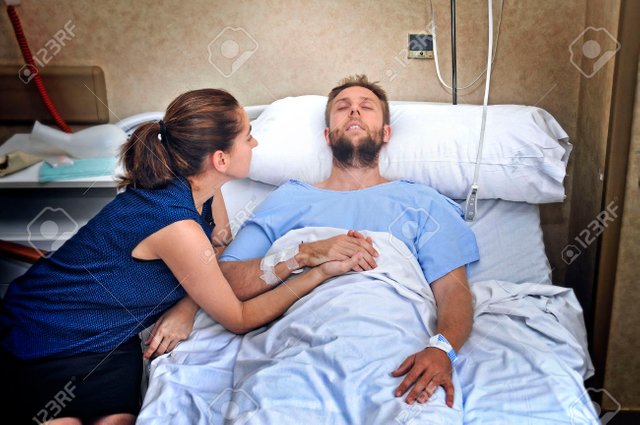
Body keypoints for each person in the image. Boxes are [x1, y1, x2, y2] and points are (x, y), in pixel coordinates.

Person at [0, 89, 362, 425]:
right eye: (248, 135)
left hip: (113, 338)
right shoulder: (176, 225)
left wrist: (186, 305)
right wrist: (315, 270)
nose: (255, 143)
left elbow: (218, 251)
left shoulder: (202, 190)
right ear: (220, 158)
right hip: (47, 335)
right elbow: (238, 318)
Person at [217, 75, 480, 408]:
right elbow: (228, 282)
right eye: (343, 108)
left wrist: (442, 349)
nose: (354, 112)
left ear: (386, 134)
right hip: (298, 350)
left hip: (399, 357)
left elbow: (453, 290)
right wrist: (304, 253)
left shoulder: (423, 201)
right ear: (328, 135)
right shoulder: (288, 199)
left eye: (366, 107)